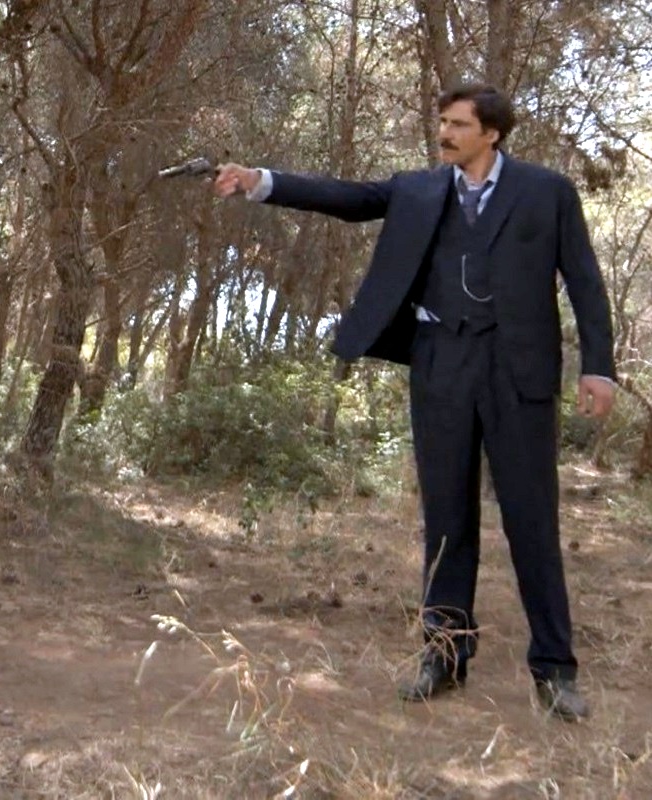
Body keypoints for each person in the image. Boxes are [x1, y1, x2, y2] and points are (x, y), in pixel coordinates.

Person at [214, 83, 615, 721]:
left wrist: (598, 368)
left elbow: (586, 281)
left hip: (518, 371)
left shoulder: (547, 192)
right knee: (447, 518)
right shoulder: (418, 190)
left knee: (532, 520)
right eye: (443, 122)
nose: (445, 133)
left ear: (492, 133)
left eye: (459, 124)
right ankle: (445, 655)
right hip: (441, 364)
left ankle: (555, 670)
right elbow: (346, 198)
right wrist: (260, 180)